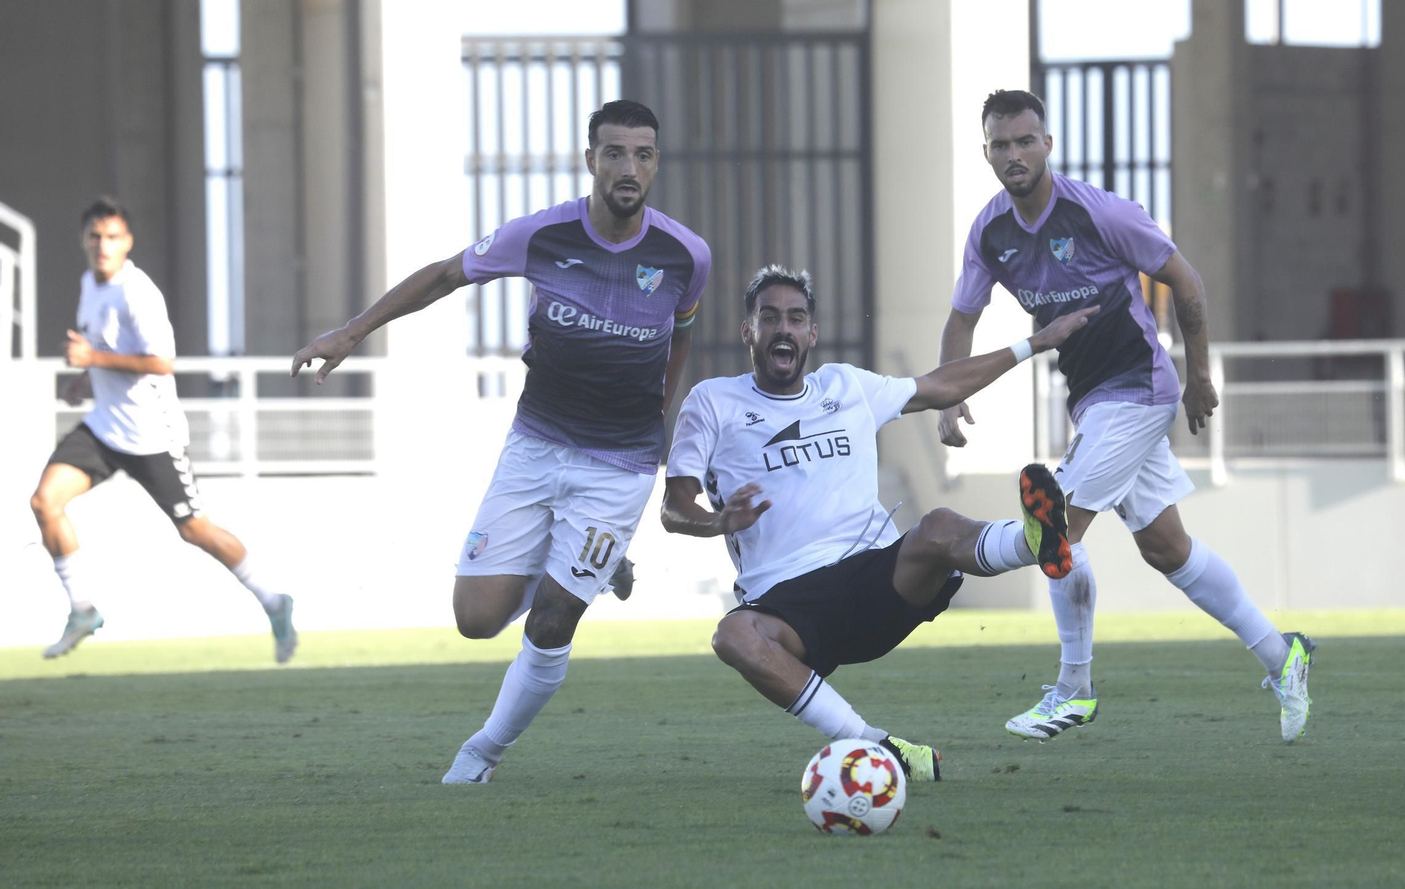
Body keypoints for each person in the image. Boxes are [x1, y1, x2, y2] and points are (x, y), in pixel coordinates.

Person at [291, 100, 708, 784]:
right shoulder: (540, 235)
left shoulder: (686, 255)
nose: (627, 168)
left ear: (656, 163)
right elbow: (443, 274)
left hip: (620, 465)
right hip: (536, 445)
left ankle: (480, 752)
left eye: (642, 154)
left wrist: (659, 423)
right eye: (613, 153)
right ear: (590, 160)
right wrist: (350, 332)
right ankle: (596, 571)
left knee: (549, 622)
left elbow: (680, 336)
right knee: (475, 619)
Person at [937, 89, 1314, 744]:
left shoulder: (1099, 211)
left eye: (1026, 140)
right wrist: (947, 395)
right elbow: (962, 314)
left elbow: (1186, 281)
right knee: (1168, 548)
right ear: (987, 153)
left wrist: (1200, 377)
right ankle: (1286, 659)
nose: (1015, 154)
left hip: (1138, 388)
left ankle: (1074, 689)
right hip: (1096, 401)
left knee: (1056, 532)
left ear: (1047, 145)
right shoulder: (990, 232)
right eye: (1002, 144)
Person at [661, 265, 1096, 781]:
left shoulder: (847, 386)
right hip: (789, 605)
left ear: (812, 334)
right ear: (747, 331)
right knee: (731, 636)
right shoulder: (711, 402)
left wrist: (1035, 342)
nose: (783, 329)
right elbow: (674, 507)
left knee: (935, 525)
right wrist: (718, 521)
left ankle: (1036, 542)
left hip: (874, 578)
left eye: (796, 319)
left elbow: (939, 386)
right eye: (770, 318)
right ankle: (876, 746)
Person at [30, 197, 298, 663]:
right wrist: (82, 379)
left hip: (152, 435)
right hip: (103, 428)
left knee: (195, 530)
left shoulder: (137, 292)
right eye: (95, 236)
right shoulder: (89, 285)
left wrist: (91, 360)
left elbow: (161, 363)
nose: (102, 245)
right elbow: (100, 346)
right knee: (44, 501)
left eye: (112, 237)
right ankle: (81, 608)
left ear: (127, 242)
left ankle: (274, 601)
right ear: (84, 240)